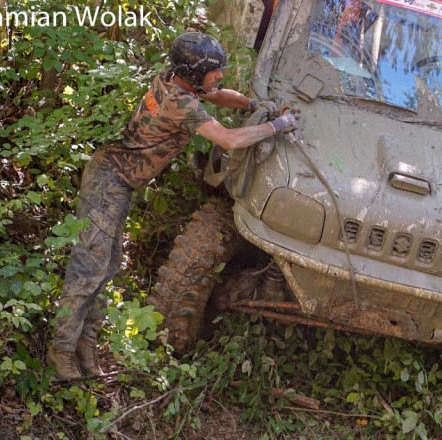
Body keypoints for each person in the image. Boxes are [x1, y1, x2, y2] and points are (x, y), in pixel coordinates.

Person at [47, 32, 298, 380]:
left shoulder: (176, 78)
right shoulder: (179, 101)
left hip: (117, 182)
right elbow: (229, 139)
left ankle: (85, 350)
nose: (219, 77)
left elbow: (218, 95)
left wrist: (253, 105)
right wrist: (277, 126)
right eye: (214, 72)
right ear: (193, 75)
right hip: (108, 183)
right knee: (88, 270)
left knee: (105, 268)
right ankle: (60, 353)